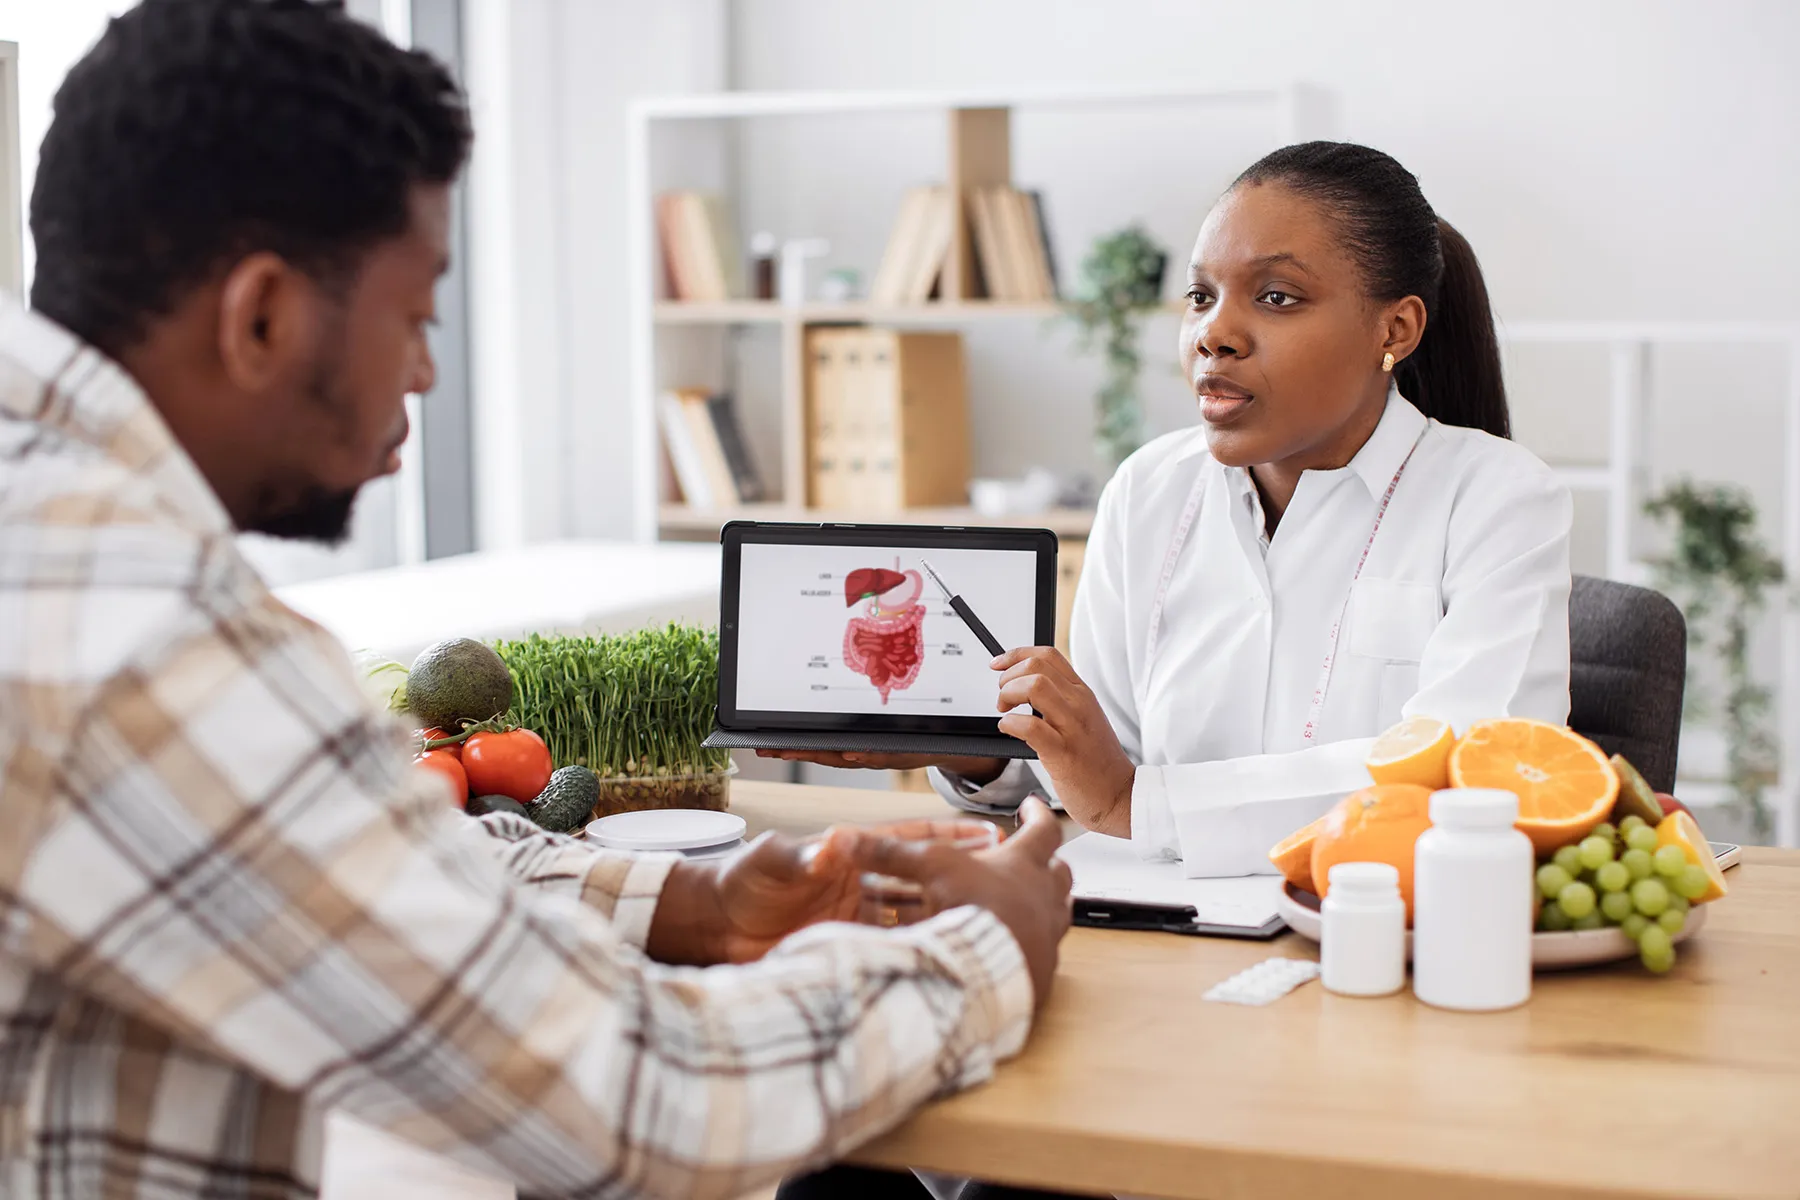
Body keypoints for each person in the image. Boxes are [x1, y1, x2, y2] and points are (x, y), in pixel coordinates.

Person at [0, 2, 1074, 1196]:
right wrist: (990, 952)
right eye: (414, 320)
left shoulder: (55, 541)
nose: (423, 377)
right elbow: (640, 1099)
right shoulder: (137, 635)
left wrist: (704, 902)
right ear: (260, 316)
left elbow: (359, 868)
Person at [766, 140, 1572, 878]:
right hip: (1154, 937)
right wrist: (982, 754)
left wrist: (1135, 803)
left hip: (1374, 944)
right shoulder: (1150, 489)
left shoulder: (1500, 499)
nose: (1213, 334)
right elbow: (1101, 766)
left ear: (1393, 329)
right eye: (1199, 295)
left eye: (1278, 296)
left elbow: (1470, 775)